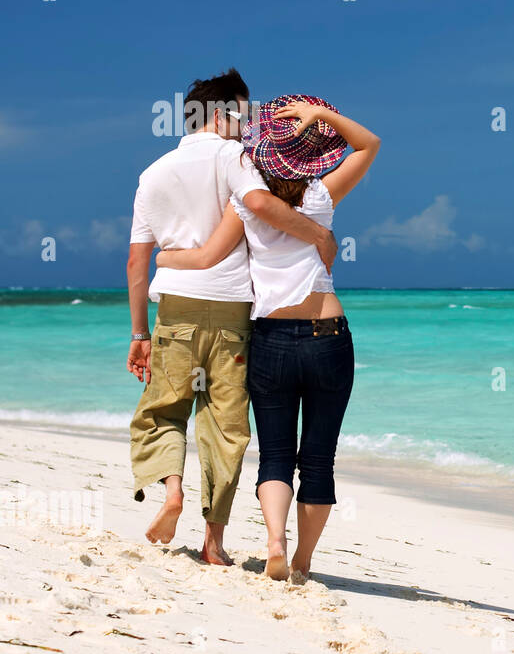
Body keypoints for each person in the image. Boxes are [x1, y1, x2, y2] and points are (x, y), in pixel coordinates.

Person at [155, 95, 380, 580]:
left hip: (271, 340)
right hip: (328, 335)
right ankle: (301, 562)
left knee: (276, 454)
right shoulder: (321, 195)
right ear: (314, 153)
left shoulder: (248, 204)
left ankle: (274, 541)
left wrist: (163, 259)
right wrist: (321, 117)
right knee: (318, 458)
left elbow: (206, 257)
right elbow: (369, 145)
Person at [127, 70, 338, 565]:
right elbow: (260, 203)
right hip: (232, 312)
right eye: (244, 115)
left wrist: (139, 332)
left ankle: (173, 492)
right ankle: (213, 541)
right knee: (226, 427)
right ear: (219, 114)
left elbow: (138, 262)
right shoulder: (237, 158)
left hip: (174, 307)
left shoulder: (153, 172)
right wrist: (318, 236)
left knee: (163, 410)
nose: (250, 126)